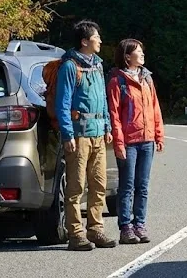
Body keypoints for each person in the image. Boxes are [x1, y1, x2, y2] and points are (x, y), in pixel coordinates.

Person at [56, 20, 117, 251]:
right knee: (76, 187)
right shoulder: (70, 67)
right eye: (96, 37)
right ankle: (76, 234)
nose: (100, 40)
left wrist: (108, 127)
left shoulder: (98, 65)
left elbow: (103, 99)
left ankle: (96, 229)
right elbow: (62, 104)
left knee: (99, 184)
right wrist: (68, 134)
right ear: (84, 41)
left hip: (99, 134)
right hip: (79, 135)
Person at [106, 38, 165, 245]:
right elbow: (114, 115)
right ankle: (125, 227)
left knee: (143, 186)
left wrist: (158, 134)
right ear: (127, 56)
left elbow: (155, 108)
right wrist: (119, 143)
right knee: (127, 186)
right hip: (129, 141)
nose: (142, 54)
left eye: (142, 51)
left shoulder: (147, 79)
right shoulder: (117, 81)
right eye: (138, 51)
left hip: (147, 140)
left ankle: (140, 224)